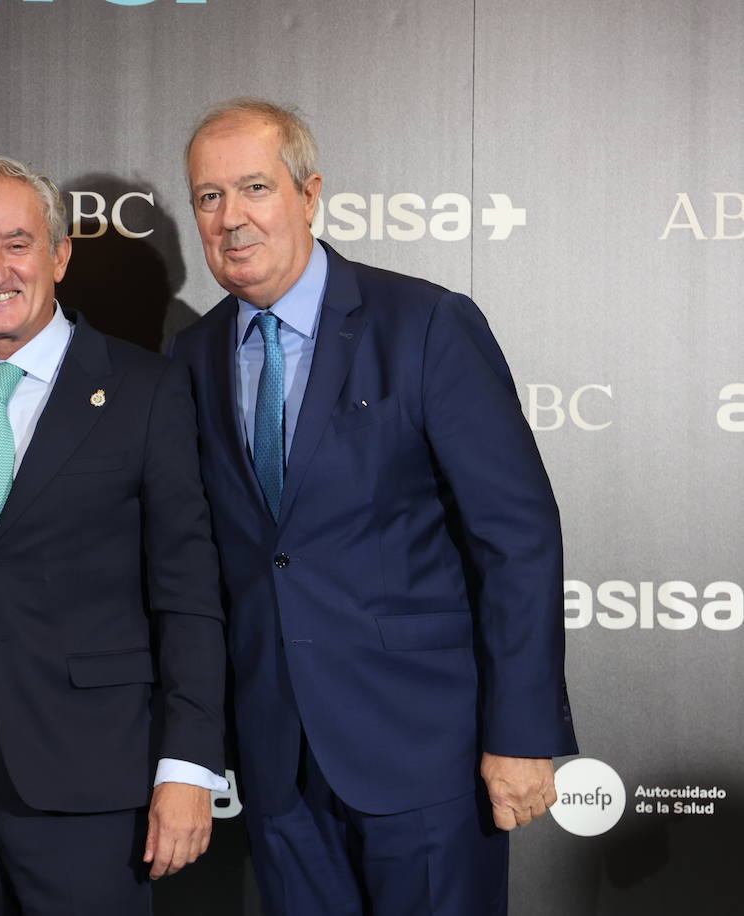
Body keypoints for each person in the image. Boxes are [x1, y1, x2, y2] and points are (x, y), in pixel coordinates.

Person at [169, 98, 578, 915]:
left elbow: (517, 538)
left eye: (254, 187)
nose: (231, 219)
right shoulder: (193, 354)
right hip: (279, 761)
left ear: (309, 193)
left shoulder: (425, 325)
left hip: (427, 755)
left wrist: (523, 733)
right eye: (209, 198)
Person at [0, 156, 227, 914]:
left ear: (61, 254)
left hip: (95, 777)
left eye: (18, 243)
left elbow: (189, 592)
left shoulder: (148, 388)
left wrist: (189, 765)